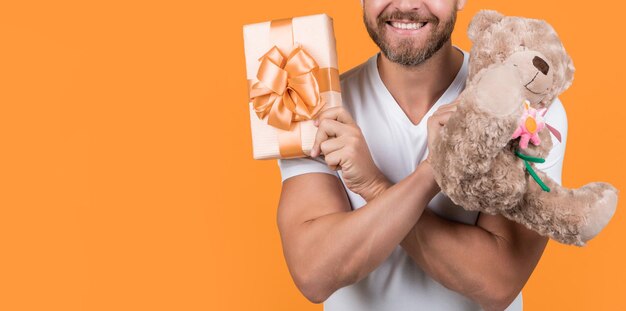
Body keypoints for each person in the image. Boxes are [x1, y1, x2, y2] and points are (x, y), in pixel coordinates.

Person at [276, 0, 568, 310]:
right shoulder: (312, 106)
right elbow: (314, 273)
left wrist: (377, 186)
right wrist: (431, 173)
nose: (406, 5)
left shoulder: (523, 105)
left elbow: (498, 281)